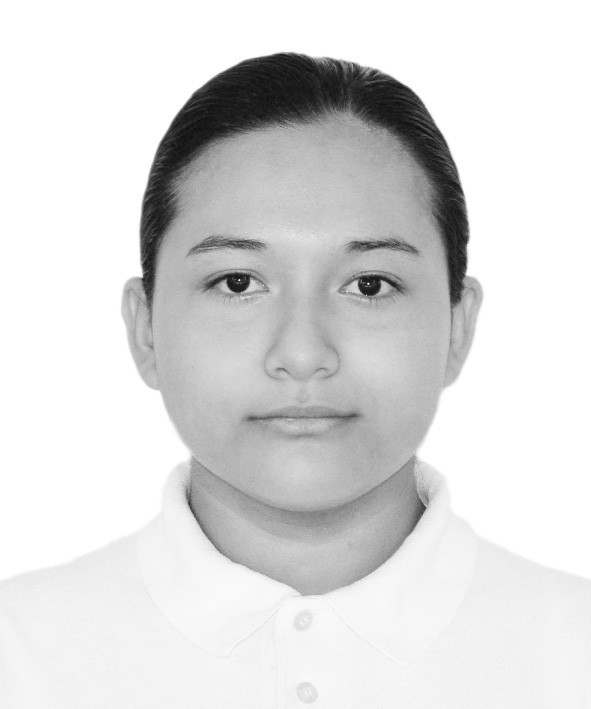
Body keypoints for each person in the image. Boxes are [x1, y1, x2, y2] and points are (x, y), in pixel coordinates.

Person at [1, 52, 589, 708]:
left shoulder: (573, 654)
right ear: (145, 329)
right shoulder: (19, 656)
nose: (303, 354)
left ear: (458, 325)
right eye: (237, 283)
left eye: (370, 285)